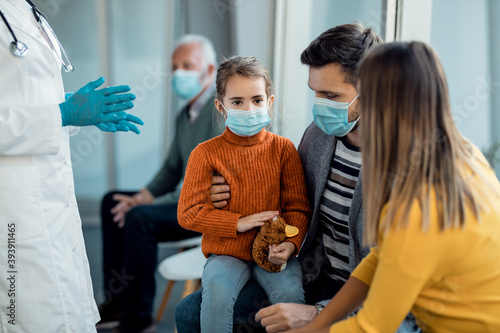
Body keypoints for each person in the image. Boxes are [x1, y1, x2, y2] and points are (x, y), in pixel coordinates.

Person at [175, 23, 419, 333]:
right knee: (189, 313)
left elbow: (398, 282)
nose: (320, 105)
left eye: (330, 94)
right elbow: (282, 190)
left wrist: (317, 313)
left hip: (382, 299)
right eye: (315, 92)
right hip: (319, 276)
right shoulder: (319, 136)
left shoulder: (408, 164)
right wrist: (219, 192)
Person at [287, 41, 500, 332]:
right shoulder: (465, 155)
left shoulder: (418, 208)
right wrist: (317, 325)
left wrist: (313, 326)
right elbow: (380, 259)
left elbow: (371, 328)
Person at [0, 0, 143, 332]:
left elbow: (25, 97)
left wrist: (71, 111)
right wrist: (62, 114)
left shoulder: (26, 9)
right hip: (14, 213)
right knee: (31, 316)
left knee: (68, 314)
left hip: (50, 202)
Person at [96, 34, 224, 333]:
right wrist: (143, 194)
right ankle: (117, 303)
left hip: (208, 208)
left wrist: (147, 203)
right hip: (186, 200)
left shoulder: (218, 113)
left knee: (139, 219)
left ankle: (138, 320)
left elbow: (202, 184)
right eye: (175, 66)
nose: (179, 72)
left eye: (187, 65)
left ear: (208, 70)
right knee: (112, 201)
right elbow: (171, 168)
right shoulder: (185, 115)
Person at [177, 56, 311, 333]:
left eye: (257, 100)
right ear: (221, 106)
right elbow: (188, 213)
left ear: (269, 102)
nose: (249, 109)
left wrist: (292, 244)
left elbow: (298, 208)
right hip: (225, 253)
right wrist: (238, 222)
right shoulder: (205, 154)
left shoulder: (284, 150)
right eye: (237, 102)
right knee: (216, 295)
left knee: (290, 295)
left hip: (275, 251)